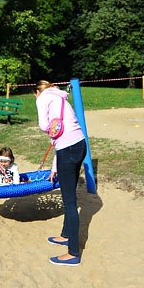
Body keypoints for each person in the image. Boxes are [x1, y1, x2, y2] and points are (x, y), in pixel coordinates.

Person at [34, 80, 87, 266]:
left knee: (69, 202)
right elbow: (60, 136)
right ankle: (66, 235)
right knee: (70, 195)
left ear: (36, 93)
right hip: (80, 145)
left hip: (68, 150)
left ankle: (73, 253)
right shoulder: (60, 97)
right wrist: (55, 167)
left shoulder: (42, 99)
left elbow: (44, 126)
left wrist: (44, 113)